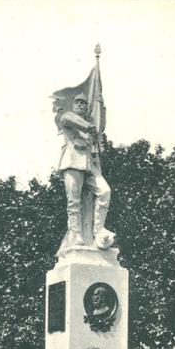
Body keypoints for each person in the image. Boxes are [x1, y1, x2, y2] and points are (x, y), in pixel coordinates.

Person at [57, 93, 114, 249]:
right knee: (73, 201)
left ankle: (98, 229)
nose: (81, 105)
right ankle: (75, 232)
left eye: (83, 103)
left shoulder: (90, 127)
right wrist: (89, 127)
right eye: (78, 103)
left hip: (89, 165)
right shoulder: (69, 117)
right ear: (74, 105)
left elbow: (99, 132)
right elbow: (68, 119)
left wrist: (102, 110)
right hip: (72, 162)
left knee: (105, 191)